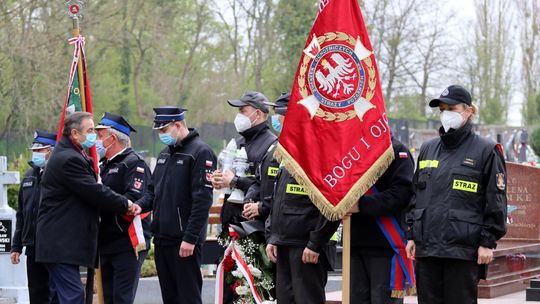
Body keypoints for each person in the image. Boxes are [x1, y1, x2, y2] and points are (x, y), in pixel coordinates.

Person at [405, 85, 507, 304]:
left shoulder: (486, 150)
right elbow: (416, 195)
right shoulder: (428, 148)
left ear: (468, 111)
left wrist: (487, 242)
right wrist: (412, 234)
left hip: (462, 249)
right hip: (428, 248)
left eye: (451, 108)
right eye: (442, 109)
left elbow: (496, 200)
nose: (445, 114)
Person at [36, 112, 140, 304]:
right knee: (73, 297)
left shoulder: (70, 154)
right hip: (61, 244)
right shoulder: (69, 158)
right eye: (91, 130)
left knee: (63, 297)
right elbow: (94, 191)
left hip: (62, 244)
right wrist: (125, 204)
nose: (94, 135)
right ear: (75, 133)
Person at [136, 106, 216, 304]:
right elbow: (153, 191)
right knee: (170, 298)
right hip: (162, 238)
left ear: (178, 125)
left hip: (184, 242)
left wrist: (190, 238)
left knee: (188, 297)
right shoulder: (165, 154)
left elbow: (202, 200)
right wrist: (139, 206)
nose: (161, 135)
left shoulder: (201, 152)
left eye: (164, 130)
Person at [265, 99, 340, 303]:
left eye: (279, 114)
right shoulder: (290, 150)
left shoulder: (321, 151)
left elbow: (332, 205)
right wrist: (273, 236)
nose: (276, 119)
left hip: (306, 246)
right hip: (285, 243)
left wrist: (316, 243)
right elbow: (278, 197)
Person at [346, 136, 414, 304]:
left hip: (385, 246)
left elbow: (401, 194)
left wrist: (361, 205)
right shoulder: (352, 151)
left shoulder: (397, 150)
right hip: (354, 244)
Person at [95, 112, 152, 304]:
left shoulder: (134, 162)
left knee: (121, 298)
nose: (95, 140)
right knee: (108, 298)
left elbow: (133, 199)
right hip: (106, 240)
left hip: (127, 242)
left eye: (99, 135)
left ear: (112, 138)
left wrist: (99, 197)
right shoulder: (103, 165)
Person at [212, 91, 277, 228]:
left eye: (243, 111)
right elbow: (228, 172)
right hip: (230, 220)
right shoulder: (238, 141)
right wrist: (220, 179)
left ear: (258, 114)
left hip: (253, 227)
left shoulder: (272, 145)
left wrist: (235, 181)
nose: (238, 115)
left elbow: (267, 187)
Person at [11, 130, 57, 303]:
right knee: (36, 292)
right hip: (32, 246)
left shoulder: (58, 174)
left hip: (52, 246)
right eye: (35, 150)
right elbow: (22, 213)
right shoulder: (30, 175)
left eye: (41, 150)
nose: (36, 153)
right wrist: (16, 246)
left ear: (52, 150)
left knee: (54, 293)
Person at [242, 92, 289, 222]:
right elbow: (259, 181)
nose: (273, 118)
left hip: (287, 231)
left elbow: (289, 197)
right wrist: (249, 200)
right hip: (271, 229)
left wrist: (262, 208)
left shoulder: (298, 151)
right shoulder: (274, 148)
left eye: (277, 114)